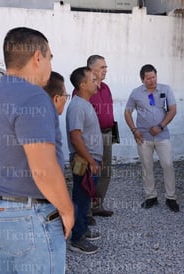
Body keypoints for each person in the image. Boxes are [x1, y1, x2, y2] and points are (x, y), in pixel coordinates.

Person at [0, 27, 74, 273]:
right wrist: (67, 210)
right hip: (28, 214)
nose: (50, 64)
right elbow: (43, 169)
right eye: (50, 57)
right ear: (37, 58)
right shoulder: (33, 96)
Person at [124, 64, 179, 212]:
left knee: (168, 165)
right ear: (142, 79)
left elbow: (173, 110)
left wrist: (160, 126)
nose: (152, 80)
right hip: (143, 137)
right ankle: (150, 196)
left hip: (162, 135)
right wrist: (134, 130)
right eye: (148, 78)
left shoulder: (165, 89)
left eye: (153, 77)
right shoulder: (135, 93)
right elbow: (127, 112)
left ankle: (171, 197)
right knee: (147, 167)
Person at [66, 66, 103, 254]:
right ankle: (76, 239)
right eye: (93, 80)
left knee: (85, 197)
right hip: (84, 162)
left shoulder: (85, 103)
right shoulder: (77, 106)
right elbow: (75, 136)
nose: (97, 83)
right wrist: (91, 160)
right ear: (82, 84)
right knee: (80, 198)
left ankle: (82, 229)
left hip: (89, 160)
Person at [86, 55, 115, 218]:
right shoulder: (84, 88)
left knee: (105, 171)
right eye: (102, 67)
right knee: (91, 173)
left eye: (106, 67)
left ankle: (97, 205)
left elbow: (110, 114)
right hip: (92, 138)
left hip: (107, 135)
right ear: (91, 69)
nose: (105, 70)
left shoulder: (106, 88)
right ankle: (86, 211)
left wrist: (113, 134)